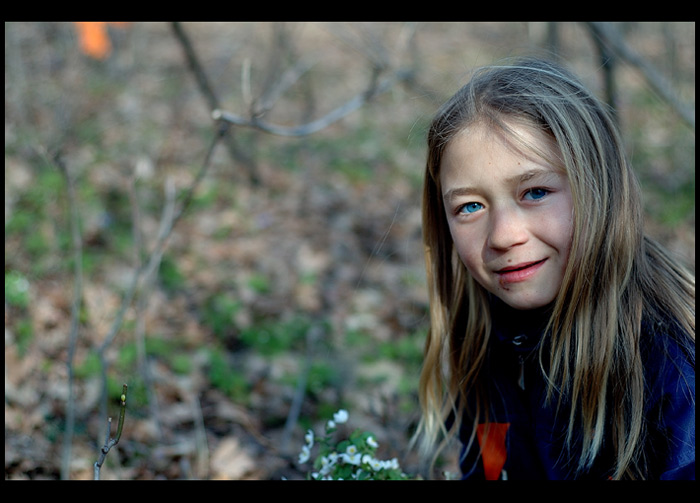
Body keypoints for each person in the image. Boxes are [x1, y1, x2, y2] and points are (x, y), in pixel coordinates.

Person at [413, 57, 695, 480]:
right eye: (470, 206)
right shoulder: (486, 342)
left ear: (598, 188)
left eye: (536, 192)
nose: (504, 235)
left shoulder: (672, 365)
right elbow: (490, 471)